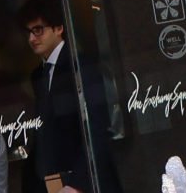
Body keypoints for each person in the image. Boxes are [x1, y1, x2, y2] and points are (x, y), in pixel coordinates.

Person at [22, 10, 118, 193]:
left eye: (38, 30)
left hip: (84, 182)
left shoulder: (81, 66)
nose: (31, 38)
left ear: (58, 28)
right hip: (54, 181)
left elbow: (98, 126)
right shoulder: (38, 75)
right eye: (28, 32)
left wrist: (77, 184)